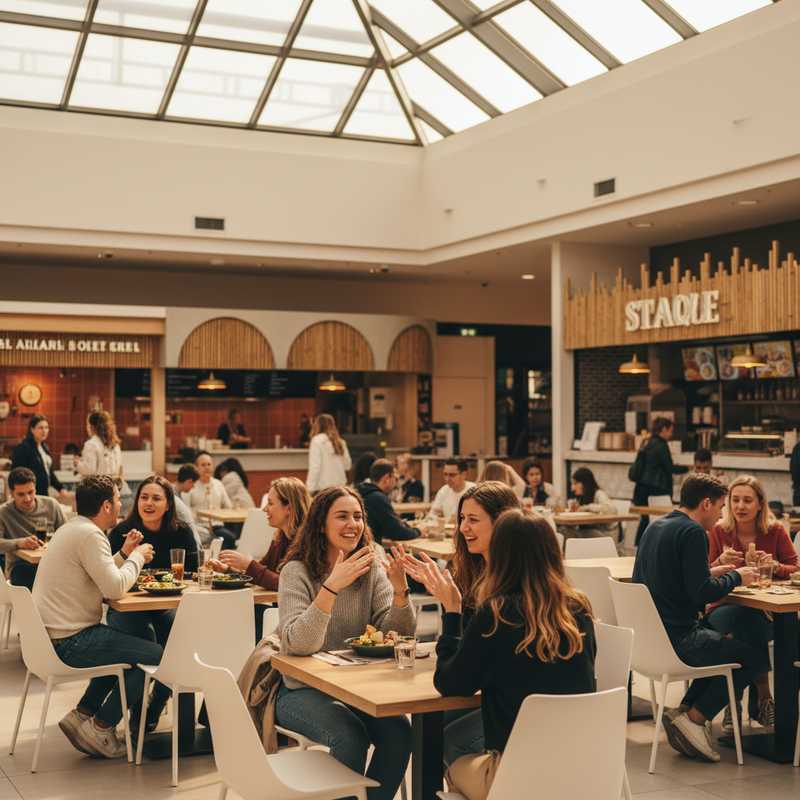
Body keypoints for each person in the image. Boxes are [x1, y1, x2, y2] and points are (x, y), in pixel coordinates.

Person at [405, 510, 596, 800]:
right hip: (581, 770)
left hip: (514, 778)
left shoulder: (496, 614)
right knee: (455, 733)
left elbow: (451, 685)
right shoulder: (578, 609)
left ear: (500, 556)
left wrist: (453, 613)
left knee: (446, 744)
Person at [276, 486, 415, 800]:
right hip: (300, 690)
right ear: (320, 525)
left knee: (399, 734)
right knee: (349, 736)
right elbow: (297, 643)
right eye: (342, 516)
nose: (353, 523)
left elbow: (394, 635)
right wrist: (331, 587)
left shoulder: (370, 571)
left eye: (358, 516)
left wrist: (399, 595)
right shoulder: (295, 572)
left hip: (358, 688)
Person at [633, 473, 764, 762]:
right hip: (680, 639)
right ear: (706, 503)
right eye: (720, 508)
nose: (720, 516)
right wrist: (736, 577)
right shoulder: (693, 532)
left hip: (652, 640)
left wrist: (714, 570)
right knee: (752, 658)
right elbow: (701, 593)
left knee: (723, 648)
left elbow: (671, 579)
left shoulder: (656, 527)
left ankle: (683, 715)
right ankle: (694, 718)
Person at [32, 475, 162, 758]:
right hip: (71, 640)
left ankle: (83, 714)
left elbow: (100, 576)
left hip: (52, 638)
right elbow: (114, 586)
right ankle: (101, 728)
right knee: (155, 655)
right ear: (106, 506)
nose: (120, 504)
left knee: (129, 651)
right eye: (117, 500)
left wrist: (124, 553)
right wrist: (137, 557)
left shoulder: (75, 529)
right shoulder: (91, 535)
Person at [414, 482, 520, 767]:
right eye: (462, 519)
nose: (462, 528)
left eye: (473, 520)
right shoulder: (476, 575)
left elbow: (453, 682)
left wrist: (451, 611)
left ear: (503, 524)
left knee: (441, 737)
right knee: (424, 729)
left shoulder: (503, 600)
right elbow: (472, 651)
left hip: (520, 723)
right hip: (546, 722)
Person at [706, 475, 797, 729]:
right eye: (735, 500)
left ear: (760, 504)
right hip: (722, 607)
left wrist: (775, 565)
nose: (740, 506)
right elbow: (703, 576)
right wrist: (718, 563)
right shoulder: (719, 531)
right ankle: (765, 698)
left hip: (767, 612)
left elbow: (796, 567)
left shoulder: (775, 530)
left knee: (750, 620)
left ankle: (731, 701)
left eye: (747, 500)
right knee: (746, 619)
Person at [211, 477, 311, 640]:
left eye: (270, 503)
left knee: (237, 615)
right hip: (281, 614)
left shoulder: (307, 543)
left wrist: (249, 564)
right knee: (230, 610)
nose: (265, 509)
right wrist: (229, 570)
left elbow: (287, 584)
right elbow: (262, 572)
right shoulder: (280, 539)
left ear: (288, 508)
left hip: (296, 622)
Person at [0, 467, 66, 590]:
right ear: (11, 493)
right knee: (36, 576)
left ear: (35, 488)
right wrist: (19, 543)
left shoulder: (51, 505)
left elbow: (68, 536)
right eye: (21, 494)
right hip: (20, 566)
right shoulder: (3, 512)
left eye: (30, 492)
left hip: (51, 563)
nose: (27, 498)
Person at [632, 418, 688, 546]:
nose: (671, 434)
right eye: (670, 431)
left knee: (646, 519)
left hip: (641, 488)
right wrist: (686, 468)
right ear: (664, 429)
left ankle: (639, 546)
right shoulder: (661, 445)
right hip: (656, 489)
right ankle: (652, 546)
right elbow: (669, 467)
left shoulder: (646, 442)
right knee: (661, 521)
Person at [77, 411, 132, 514]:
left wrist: (78, 464)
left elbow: (89, 470)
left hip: (100, 495)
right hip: (119, 491)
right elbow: (120, 469)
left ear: (92, 426)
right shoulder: (115, 444)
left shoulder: (91, 444)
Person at [357, 459, 419, 544]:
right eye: (395, 478)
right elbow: (397, 533)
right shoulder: (377, 498)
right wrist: (419, 531)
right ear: (387, 478)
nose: (396, 482)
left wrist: (397, 523)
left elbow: (385, 527)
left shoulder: (361, 492)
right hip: (370, 551)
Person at [11, 414, 70, 501]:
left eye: (46, 427)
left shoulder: (44, 447)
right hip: (30, 496)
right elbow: (17, 474)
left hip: (44, 494)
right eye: (40, 428)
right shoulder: (23, 448)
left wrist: (60, 488)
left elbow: (49, 473)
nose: (44, 431)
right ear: (32, 429)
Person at [184, 452, 236, 549]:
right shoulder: (192, 485)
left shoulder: (218, 484)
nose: (207, 467)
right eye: (203, 465)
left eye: (209, 464)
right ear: (197, 468)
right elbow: (186, 510)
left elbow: (228, 507)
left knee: (230, 538)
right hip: (199, 526)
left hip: (217, 526)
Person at [566, 467, 617, 540]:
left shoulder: (599, 494)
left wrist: (586, 508)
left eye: (576, 483)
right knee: (565, 530)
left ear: (585, 483)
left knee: (570, 534)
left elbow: (611, 509)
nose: (573, 488)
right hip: (592, 532)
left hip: (605, 534)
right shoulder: (581, 497)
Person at [306, 413, 351, 494]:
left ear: (318, 425)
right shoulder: (340, 442)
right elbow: (348, 465)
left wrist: (309, 488)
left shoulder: (316, 441)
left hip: (324, 489)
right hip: (341, 487)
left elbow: (315, 467)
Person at [170, 464, 202, 549]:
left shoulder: (177, 492)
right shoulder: (172, 494)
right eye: (193, 484)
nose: (193, 486)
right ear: (189, 481)